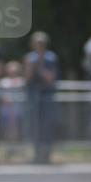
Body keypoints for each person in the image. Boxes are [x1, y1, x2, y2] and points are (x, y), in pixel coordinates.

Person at [24, 31, 58, 164]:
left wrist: (38, 65)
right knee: (34, 126)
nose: (39, 46)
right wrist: (30, 66)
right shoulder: (29, 58)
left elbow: (50, 78)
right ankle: (37, 155)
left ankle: (47, 155)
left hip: (46, 96)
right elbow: (27, 78)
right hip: (33, 97)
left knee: (46, 126)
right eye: (37, 44)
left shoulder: (51, 58)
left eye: (41, 44)